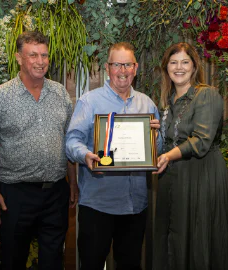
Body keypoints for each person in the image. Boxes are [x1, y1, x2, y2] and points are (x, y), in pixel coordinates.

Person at [0, 31, 78, 270]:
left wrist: (73, 182)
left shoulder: (60, 94)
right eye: (33, 55)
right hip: (15, 194)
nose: (40, 61)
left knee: (53, 261)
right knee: (13, 260)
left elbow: (68, 140)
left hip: (55, 192)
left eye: (44, 55)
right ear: (18, 58)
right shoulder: (0, 97)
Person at [66, 42, 161, 270]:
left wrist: (156, 137)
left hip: (134, 206)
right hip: (98, 205)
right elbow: (71, 142)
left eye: (127, 64)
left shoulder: (146, 103)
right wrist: (86, 155)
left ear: (135, 68)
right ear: (107, 68)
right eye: (117, 64)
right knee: (91, 264)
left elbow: (157, 149)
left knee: (130, 265)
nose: (122, 70)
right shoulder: (89, 101)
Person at [152, 42, 228, 270]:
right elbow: (172, 137)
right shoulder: (168, 102)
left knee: (198, 241)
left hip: (201, 178)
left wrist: (168, 155)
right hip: (175, 180)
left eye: (185, 62)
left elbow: (201, 140)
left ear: (194, 66)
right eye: (173, 62)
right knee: (174, 240)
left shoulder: (206, 94)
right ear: (166, 67)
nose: (179, 67)